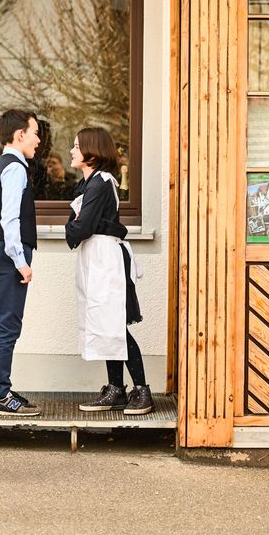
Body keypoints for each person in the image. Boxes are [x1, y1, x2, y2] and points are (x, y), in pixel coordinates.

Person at [66, 127, 153, 415]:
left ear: (92, 151)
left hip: (105, 257)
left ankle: (141, 389)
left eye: (77, 146)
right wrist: (75, 227)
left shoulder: (101, 183)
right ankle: (116, 388)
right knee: (104, 323)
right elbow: (75, 227)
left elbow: (81, 226)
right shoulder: (88, 184)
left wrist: (76, 226)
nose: (72, 151)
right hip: (95, 256)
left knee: (114, 325)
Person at [0, 109, 43, 417]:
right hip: (9, 252)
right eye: (34, 133)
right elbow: (8, 218)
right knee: (9, 325)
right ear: (19, 135)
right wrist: (20, 260)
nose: (38, 140)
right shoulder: (16, 168)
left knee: (3, 321)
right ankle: (1, 395)